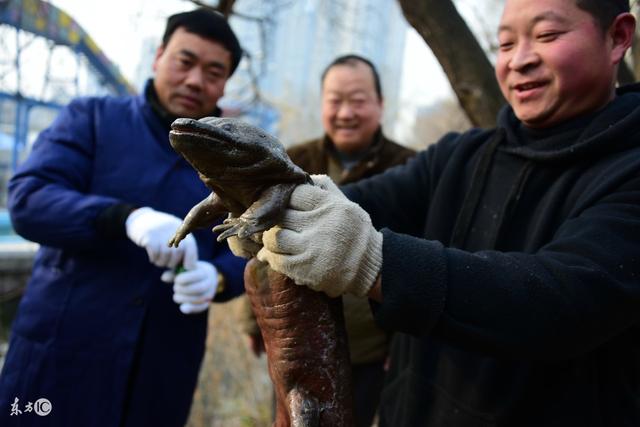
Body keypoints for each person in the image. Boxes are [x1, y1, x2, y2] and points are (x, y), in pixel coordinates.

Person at [232, 0, 640, 425]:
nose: (519, 60)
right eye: (504, 44)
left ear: (618, 37)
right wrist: (278, 204)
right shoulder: (459, 156)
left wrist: (373, 262)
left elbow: (559, 302)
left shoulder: (629, 171)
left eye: (547, 36)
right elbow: (360, 200)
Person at [0, 8, 246, 427]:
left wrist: (219, 277)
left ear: (224, 83)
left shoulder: (234, 165)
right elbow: (28, 199)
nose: (194, 80)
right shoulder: (91, 118)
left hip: (160, 375)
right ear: (158, 56)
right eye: (184, 61)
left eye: (213, 71)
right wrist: (124, 218)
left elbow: (256, 248)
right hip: (59, 360)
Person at [238, 54, 415, 427]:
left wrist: (404, 346)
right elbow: (258, 244)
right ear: (322, 105)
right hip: (296, 339)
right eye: (335, 100)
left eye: (358, 100)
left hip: (369, 346)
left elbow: (417, 261)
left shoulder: (410, 170)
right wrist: (254, 322)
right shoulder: (292, 161)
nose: (346, 112)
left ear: (380, 105)